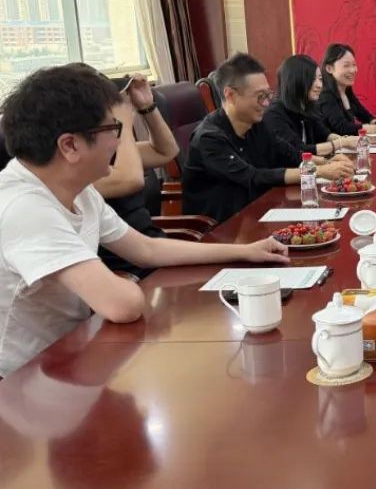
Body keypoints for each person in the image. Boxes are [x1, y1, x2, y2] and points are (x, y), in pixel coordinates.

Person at [0, 65, 290, 378]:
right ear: (70, 145)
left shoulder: (77, 189)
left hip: (76, 351)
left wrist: (245, 251)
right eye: (114, 128)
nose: (119, 141)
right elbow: (122, 305)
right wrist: (125, 285)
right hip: (25, 380)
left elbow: (146, 249)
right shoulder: (26, 208)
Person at [182, 53, 353, 222]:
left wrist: (327, 163)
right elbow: (253, 177)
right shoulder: (209, 138)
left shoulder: (255, 123)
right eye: (260, 97)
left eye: (267, 95)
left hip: (258, 212)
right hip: (222, 227)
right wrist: (319, 171)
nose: (266, 103)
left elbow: (287, 152)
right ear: (230, 95)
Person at [72, 70, 181, 280]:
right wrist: (122, 121)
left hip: (153, 250)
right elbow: (131, 180)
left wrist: (147, 107)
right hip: (123, 268)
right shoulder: (75, 169)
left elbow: (166, 152)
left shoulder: (110, 153)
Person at [263, 55, 359, 159]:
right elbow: (298, 150)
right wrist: (341, 143)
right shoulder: (274, 114)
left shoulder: (308, 106)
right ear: (296, 81)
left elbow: (325, 135)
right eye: (313, 79)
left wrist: (346, 141)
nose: (319, 85)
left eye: (320, 79)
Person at [316, 43, 376, 136]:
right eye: (346, 65)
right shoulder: (325, 95)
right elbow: (343, 128)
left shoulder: (346, 91)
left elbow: (365, 116)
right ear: (329, 68)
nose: (353, 70)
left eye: (354, 65)